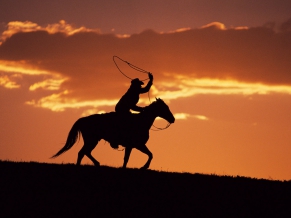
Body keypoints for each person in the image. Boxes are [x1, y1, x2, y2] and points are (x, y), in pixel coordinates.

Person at [110, 72, 154, 149]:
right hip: (121, 109)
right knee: (128, 121)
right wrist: (142, 109)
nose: (140, 86)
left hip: (124, 109)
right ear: (136, 86)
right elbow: (132, 107)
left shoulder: (134, 92)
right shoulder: (132, 93)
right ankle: (120, 138)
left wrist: (151, 80)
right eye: (139, 85)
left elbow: (145, 90)